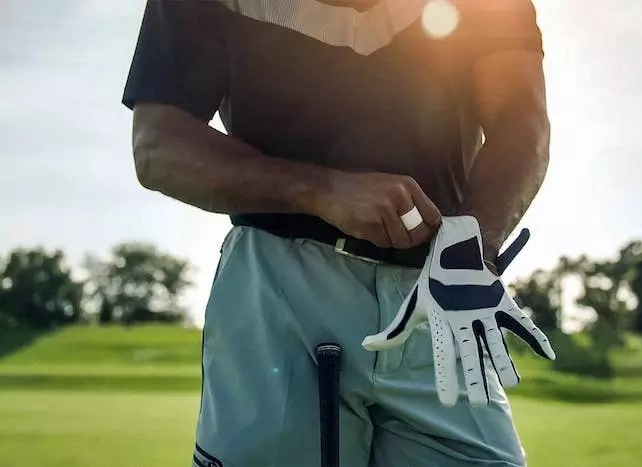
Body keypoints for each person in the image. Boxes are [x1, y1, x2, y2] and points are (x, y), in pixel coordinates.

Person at [122, 0, 552, 465]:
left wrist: (476, 244)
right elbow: (158, 147)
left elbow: (521, 121)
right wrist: (321, 191)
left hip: (438, 288)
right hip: (280, 284)